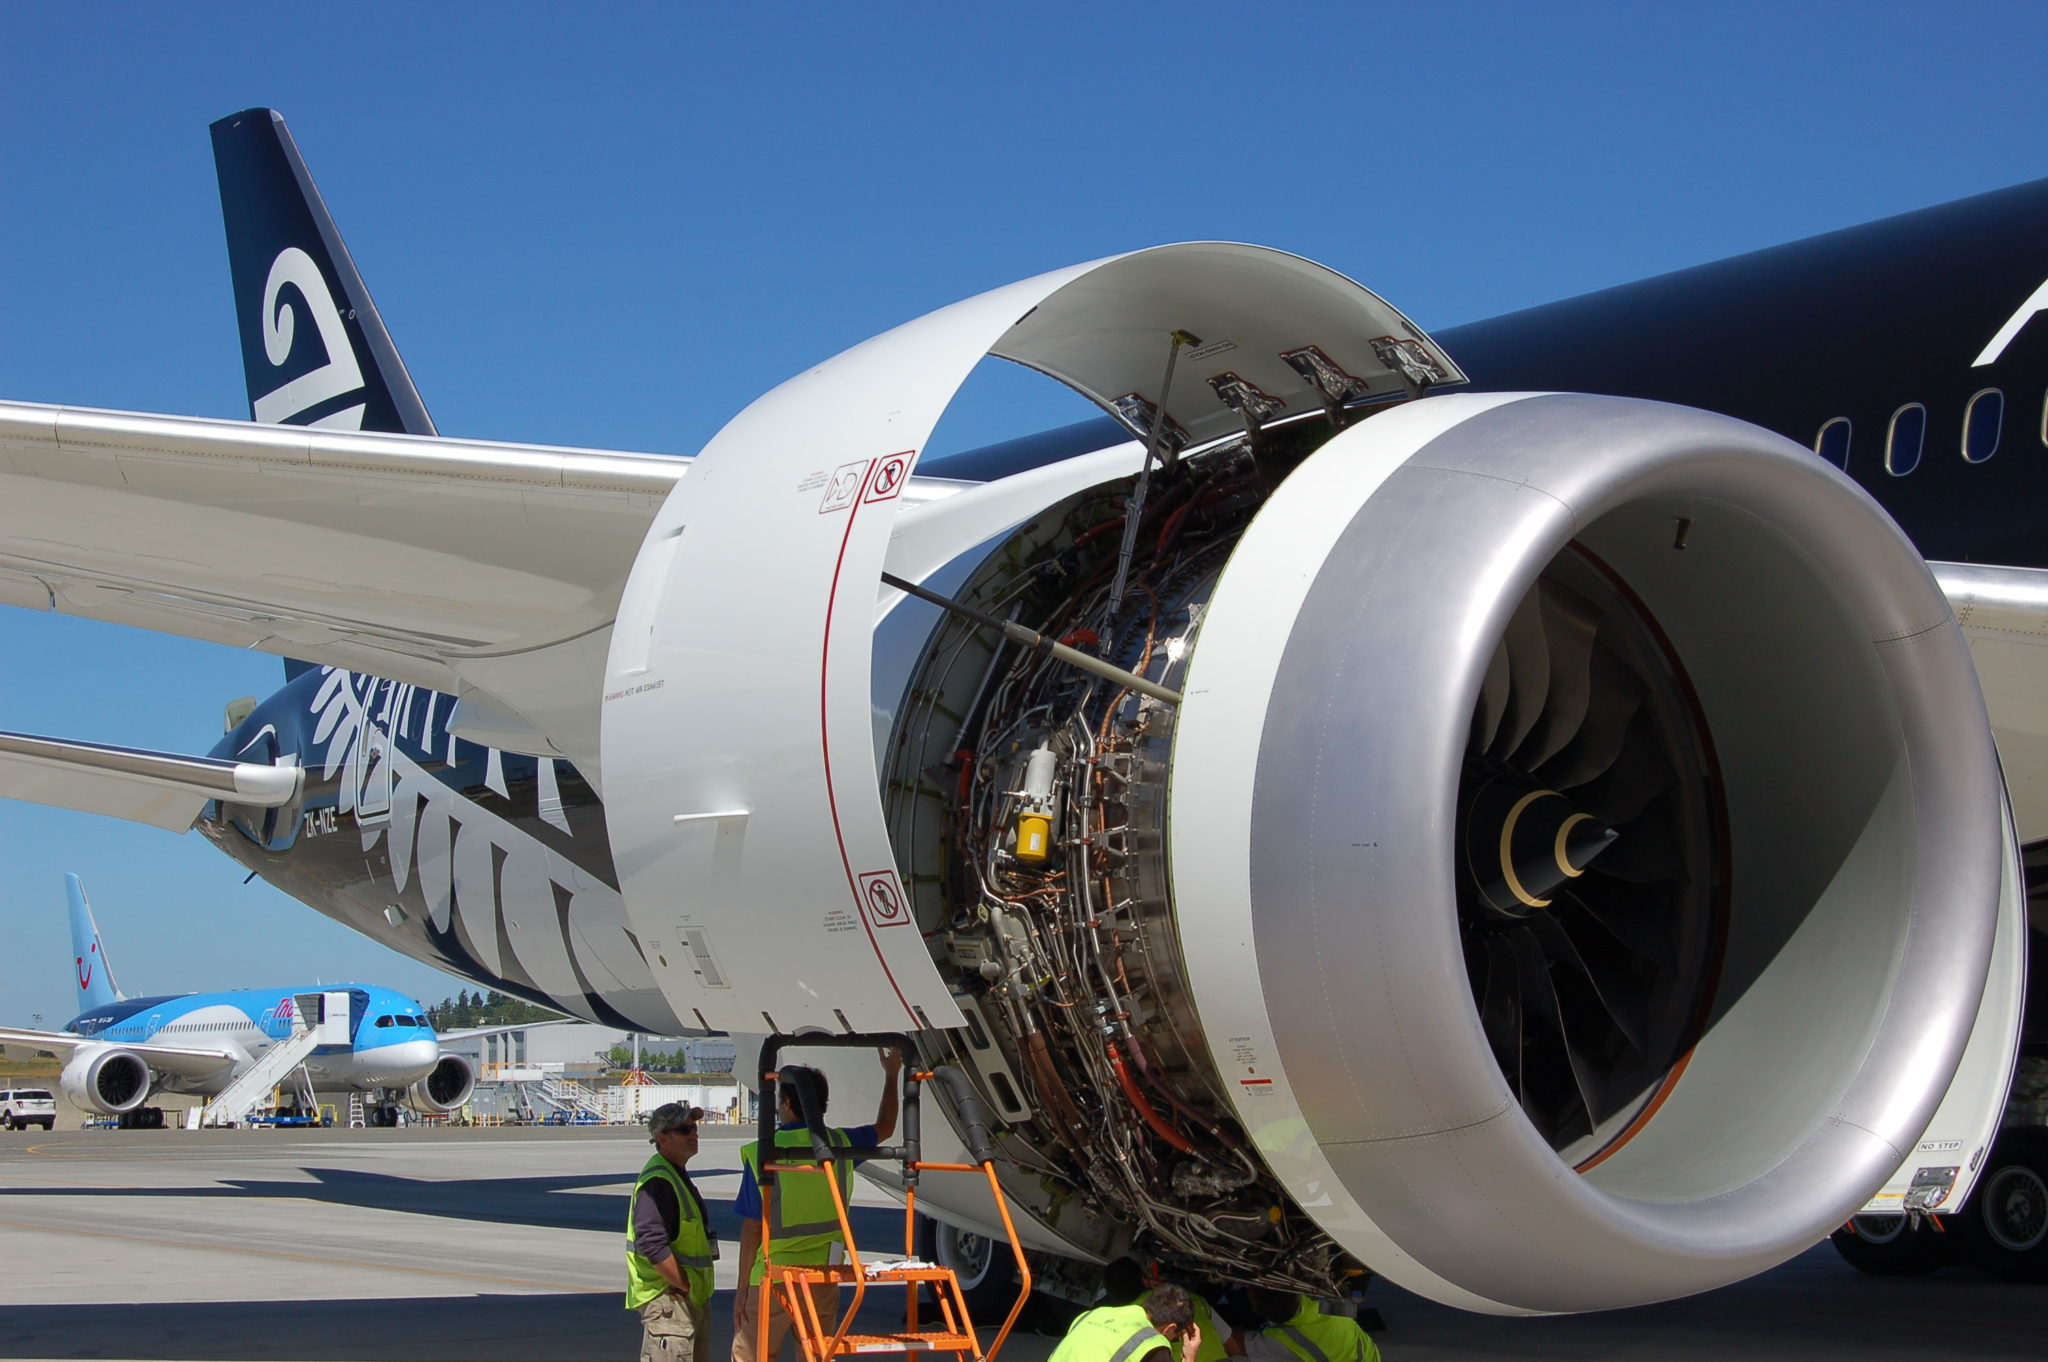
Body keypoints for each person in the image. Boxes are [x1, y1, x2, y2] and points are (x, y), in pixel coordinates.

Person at [731, 1050, 904, 1362]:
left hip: (773, 1276)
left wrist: (742, 1288)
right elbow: (886, 1127)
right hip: (822, 1274)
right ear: (822, 1103)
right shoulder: (840, 1143)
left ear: (784, 1104)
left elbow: (752, 1226)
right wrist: (892, 1075)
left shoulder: (763, 1152)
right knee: (817, 1355)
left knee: (753, 1356)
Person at [627, 1103, 719, 1362]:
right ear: (662, 1138)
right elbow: (651, 1243)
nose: (694, 1134)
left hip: (687, 1302)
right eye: (684, 1129)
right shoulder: (658, 1181)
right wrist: (684, 1285)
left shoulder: (675, 1175)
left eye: (695, 1128)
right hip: (670, 1303)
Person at [1050, 1278, 1202, 1362]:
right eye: (1175, 1338)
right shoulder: (1153, 1345)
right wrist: (1189, 1358)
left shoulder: (1093, 1315)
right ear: (1169, 1328)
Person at [1227, 1289, 1379, 1362]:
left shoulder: (1283, 1340)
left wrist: (1204, 1311)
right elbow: (1353, 1304)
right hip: (1368, 1356)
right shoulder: (1323, 1304)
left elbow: (1233, 1345)